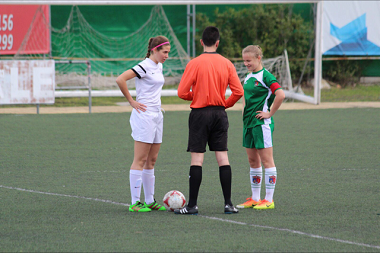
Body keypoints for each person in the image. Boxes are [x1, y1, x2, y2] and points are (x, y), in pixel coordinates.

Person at [175, 26, 244, 215]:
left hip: (199, 114)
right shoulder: (227, 63)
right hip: (219, 113)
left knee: (197, 159)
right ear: (218, 42)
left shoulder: (194, 63)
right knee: (223, 158)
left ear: (201, 42)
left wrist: (196, 96)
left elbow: (181, 92)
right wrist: (224, 104)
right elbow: (238, 92)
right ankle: (229, 204)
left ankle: (192, 205)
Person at [116, 36, 171, 212]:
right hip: (144, 116)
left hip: (157, 115)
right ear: (154, 50)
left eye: (168, 53)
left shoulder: (159, 66)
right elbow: (120, 79)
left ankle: (149, 201)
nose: (167, 56)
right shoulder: (144, 66)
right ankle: (134, 202)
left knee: (152, 160)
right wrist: (132, 101)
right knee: (140, 159)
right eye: (164, 52)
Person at [236, 45, 285, 210]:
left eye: (248, 60)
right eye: (244, 60)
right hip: (248, 124)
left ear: (258, 58)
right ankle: (255, 198)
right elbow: (245, 97)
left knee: (266, 161)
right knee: (253, 161)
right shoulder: (249, 76)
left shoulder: (266, 76)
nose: (246, 63)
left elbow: (281, 94)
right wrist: (244, 111)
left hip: (261, 124)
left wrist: (269, 113)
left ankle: (269, 200)